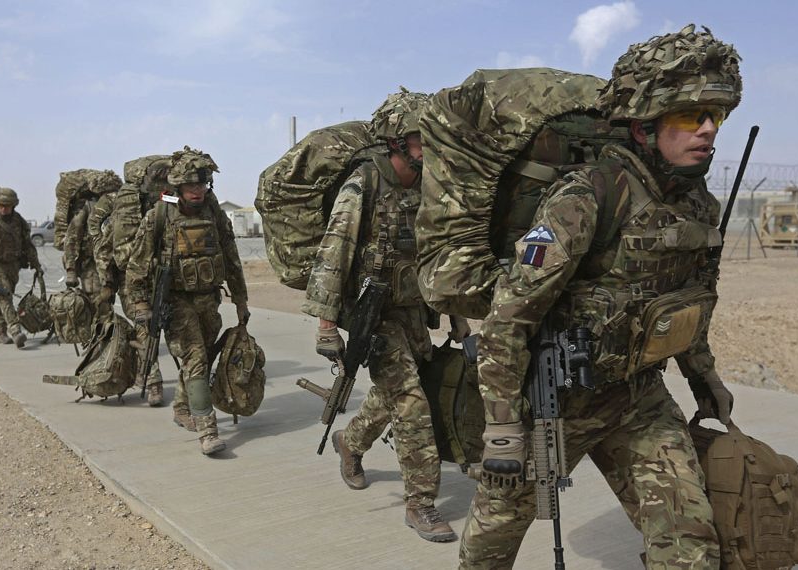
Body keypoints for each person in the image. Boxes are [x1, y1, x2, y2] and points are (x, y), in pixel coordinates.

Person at [459, 24, 740, 568]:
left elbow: (692, 302)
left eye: (715, 116)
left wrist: (704, 377)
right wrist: (499, 425)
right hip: (551, 405)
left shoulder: (699, 206)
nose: (706, 130)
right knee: (492, 544)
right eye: (688, 116)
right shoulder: (588, 195)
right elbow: (509, 317)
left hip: (637, 398)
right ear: (643, 125)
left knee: (690, 543)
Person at [302, 90, 465, 543]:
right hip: (375, 315)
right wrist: (327, 325)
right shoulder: (363, 186)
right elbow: (334, 254)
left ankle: (350, 443)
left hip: (415, 310)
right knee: (412, 404)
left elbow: (442, 253)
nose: (428, 146)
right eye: (419, 138)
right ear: (396, 141)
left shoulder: (431, 186)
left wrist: (457, 316)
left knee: (393, 395)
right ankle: (421, 504)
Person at [124, 147, 249, 455]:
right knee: (195, 358)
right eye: (191, 185)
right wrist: (141, 305)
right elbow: (137, 266)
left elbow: (231, 257)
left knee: (203, 355)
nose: (198, 190)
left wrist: (241, 300)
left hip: (209, 298)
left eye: (203, 184)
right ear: (177, 187)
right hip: (176, 300)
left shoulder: (213, 212)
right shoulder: (160, 216)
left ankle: (182, 406)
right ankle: (208, 430)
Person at [0, 187, 43, 348]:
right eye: (1, 205)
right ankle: (15, 330)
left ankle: (0, 332)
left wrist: (36, 264)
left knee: (6, 299)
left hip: (13, 266)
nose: (4, 209)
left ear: (13, 206)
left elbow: (28, 244)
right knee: (5, 296)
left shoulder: (18, 221)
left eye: (8, 206)